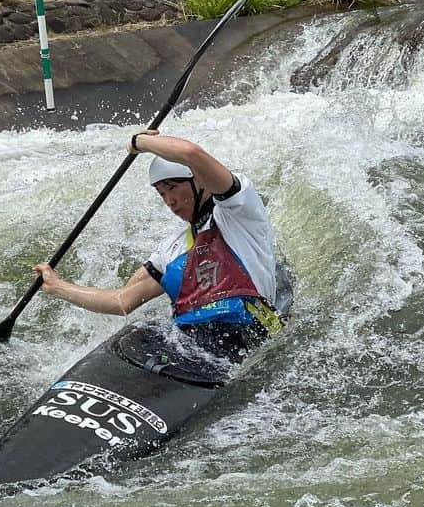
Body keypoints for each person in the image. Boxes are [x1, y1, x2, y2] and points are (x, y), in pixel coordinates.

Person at [33, 130, 284, 363]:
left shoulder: (239, 212)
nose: (169, 201)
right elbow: (122, 301)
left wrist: (138, 142)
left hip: (247, 334)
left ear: (201, 181)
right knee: (142, 332)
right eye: (161, 193)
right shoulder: (170, 249)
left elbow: (191, 153)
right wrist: (57, 286)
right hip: (195, 348)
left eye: (173, 188)